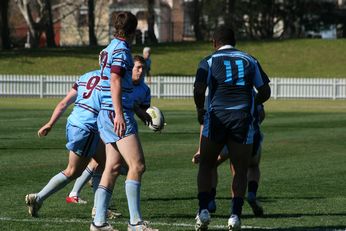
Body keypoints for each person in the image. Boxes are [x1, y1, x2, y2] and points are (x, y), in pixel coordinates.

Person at [193, 26, 271, 231]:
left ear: (214, 42)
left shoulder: (208, 60)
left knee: (206, 165)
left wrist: (200, 109)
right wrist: (253, 101)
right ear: (234, 42)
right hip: (241, 118)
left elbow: (199, 89)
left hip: (216, 118)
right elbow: (265, 90)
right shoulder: (249, 60)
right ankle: (235, 216)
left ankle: (203, 212)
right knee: (241, 169)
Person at [90, 12, 158, 231]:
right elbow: (115, 80)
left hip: (106, 112)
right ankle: (135, 222)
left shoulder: (109, 48)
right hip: (115, 113)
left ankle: (99, 222)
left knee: (112, 166)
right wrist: (119, 113)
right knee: (137, 165)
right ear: (133, 31)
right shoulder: (120, 50)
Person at [66, 55, 151, 212]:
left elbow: (142, 110)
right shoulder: (118, 82)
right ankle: (80, 196)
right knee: (104, 163)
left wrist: (149, 118)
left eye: (142, 68)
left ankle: (99, 210)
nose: (140, 71)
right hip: (107, 124)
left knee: (113, 166)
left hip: (124, 127)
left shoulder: (145, 90)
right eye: (137, 67)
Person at [25, 69, 106, 217]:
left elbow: (63, 103)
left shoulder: (86, 76)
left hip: (73, 123)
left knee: (103, 162)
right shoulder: (110, 80)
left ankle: (99, 208)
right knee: (73, 171)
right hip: (87, 127)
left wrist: (50, 123)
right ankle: (38, 198)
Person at [192, 103, 266, 217]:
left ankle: (210, 201)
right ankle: (247, 197)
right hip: (247, 133)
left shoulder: (216, 91)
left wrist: (200, 149)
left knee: (209, 164)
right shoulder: (250, 89)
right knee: (251, 166)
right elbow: (261, 113)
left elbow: (204, 121)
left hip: (224, 133)